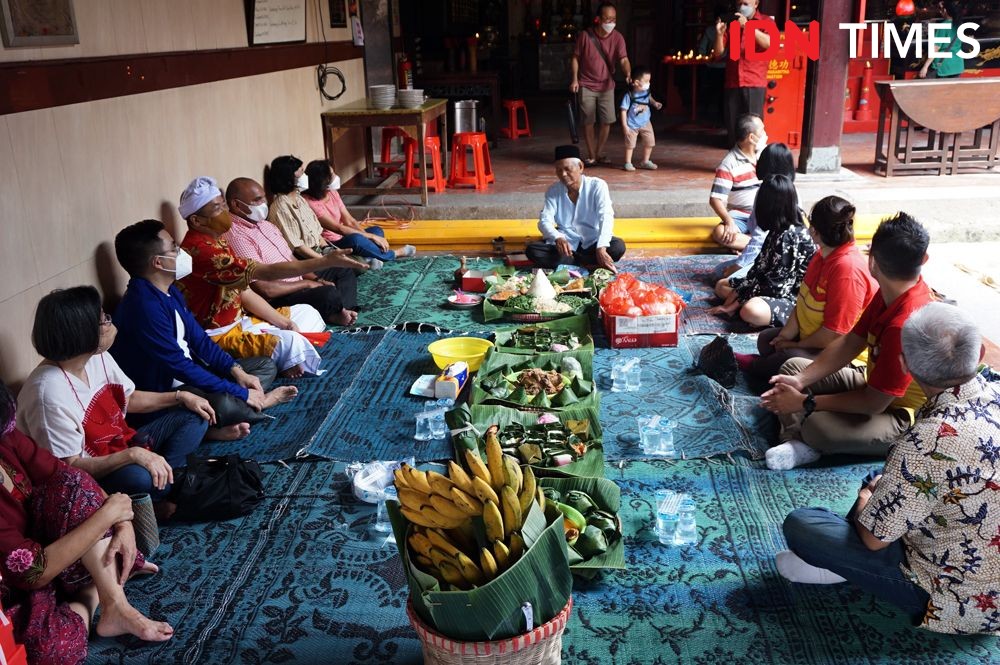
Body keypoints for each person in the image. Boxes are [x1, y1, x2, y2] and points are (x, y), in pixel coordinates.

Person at [776, 303, 1000, 635]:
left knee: (803, 524)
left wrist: (868, 496)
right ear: (980, 352)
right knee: (882, 479)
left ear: (904, 365)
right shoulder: (993, 390)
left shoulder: (927, 441)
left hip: (955, 599)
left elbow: (873, 539)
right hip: (979, 549)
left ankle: (841, 568)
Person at [0, 382, 173, 665]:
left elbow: (69, 476)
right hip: (17, 583)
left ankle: (114, 602)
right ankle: (94, 589)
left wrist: (123, 521)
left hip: (51, 547)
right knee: (51, 652)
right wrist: (110, 515)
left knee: (72, 485)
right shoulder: (46, 388)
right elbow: (32, 572)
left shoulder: (6, 438)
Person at [761, 213, 934, 470]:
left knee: (819, 428)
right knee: (793, 369)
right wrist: (800, 382)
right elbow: (850, 343)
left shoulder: (904, 322)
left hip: (901, 414)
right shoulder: (891, 292)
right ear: (924, 259)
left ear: (872, 260)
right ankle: (798, 441)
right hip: (871, 383)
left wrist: (806, 402)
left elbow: (875, 403)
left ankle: (804, 437)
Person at [17, 287, 211, 505]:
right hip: (91, 474)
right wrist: (132, 456)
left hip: (123, 443)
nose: (110, 324)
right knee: (140, 477)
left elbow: (127, 398)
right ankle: (163, 488)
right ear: (82, 332)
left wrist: (180, 397)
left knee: (194, 415)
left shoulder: (95, 356)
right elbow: (68, 468)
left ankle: (163, 486)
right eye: (104, 320)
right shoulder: (47, 394)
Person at [111, 219, 298, 436]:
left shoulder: (168, 291)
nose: (181, 251)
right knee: (224, 403)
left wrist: (236, 372)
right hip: (168, 390)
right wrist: (241, 392)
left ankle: (229, 414)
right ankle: (258, 404)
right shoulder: (143, 307)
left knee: (264, 366)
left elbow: (199, 340)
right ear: (158, 263)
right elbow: (179, 366)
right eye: (174, 248)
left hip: (192, 374)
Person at [175, 177, 362, 377]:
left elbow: (244, 292)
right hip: (218, 336)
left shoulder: (217, 241)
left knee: (307, 314)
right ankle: (279, 360)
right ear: (196, 220)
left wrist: (285, 323)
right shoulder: (204, 252)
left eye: (223, 205)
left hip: (242, 322)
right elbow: (265, 273)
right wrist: (324, 262)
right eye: (217, 208)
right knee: (291, 342)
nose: (224, 212)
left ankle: (286, 355)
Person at [739, 196, 878, 381]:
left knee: (789, 359)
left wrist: (796, 344)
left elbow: (834, 335)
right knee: (766, 340)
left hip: (842, 354)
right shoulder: (821, 256)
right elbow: (802, 302)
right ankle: (767, 366)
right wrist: (785, 336)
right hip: (814, 337)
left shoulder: (847, 271)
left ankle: (756, 367)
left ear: (814, 230)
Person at [225, 177, 359, 327]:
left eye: (263, 198)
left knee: (342, 270)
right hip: (279, 296)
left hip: (297, 280)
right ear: (236, 205)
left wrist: (316, 280)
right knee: (327, 293)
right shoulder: (236, 236)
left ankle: (341, 310)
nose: (264, 204)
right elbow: (265, 290)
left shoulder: (265, 225)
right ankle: (336, 312)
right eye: (257, 200)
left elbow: (292, 260)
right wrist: (307, 284)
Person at [708, 175, 815, 327]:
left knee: (750, 310)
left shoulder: (789, 237)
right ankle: (747, 310)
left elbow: (775, 288)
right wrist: (733, 301)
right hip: (769, 287)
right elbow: (758, 270)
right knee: (721, 286)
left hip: (793, 297)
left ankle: (766, 317)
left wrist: (732, 305)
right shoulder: (777, 229)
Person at [265, 155, 367, 287]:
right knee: (350, 267)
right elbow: (299, 248)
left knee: (357, 261)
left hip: (320, 249)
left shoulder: (300, 199)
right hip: (306, 257)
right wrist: (325, 260)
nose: (305, 175)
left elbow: (316, 233)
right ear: (288, 177)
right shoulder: (281, 207)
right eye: (301, 172)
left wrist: (327, 249)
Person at [525, 145, 625, 272]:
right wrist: (557, 237)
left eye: (568, 169)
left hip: (592, 242)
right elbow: (545, 220)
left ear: (581, 167)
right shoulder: (553, 191)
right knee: (532, 250)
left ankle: (570, 263)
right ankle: (581, 262)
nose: (563, 174)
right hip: (567, 246)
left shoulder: (597, 186)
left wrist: (601, 247)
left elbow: (606, 216)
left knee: (617, 247)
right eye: (558, 170)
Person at [301, 160, 415, 269]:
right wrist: (370, 237)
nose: (336, 176)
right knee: (357, 240)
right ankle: (394, 254)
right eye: (332, 175)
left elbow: (349, 220)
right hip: (334, 243)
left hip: (345, 235)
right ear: (322, 182)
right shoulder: (310, 203)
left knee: (377, 231)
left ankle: (367, 258)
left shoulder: (332, 193)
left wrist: (369, 236)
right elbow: (339, 228)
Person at [712, 142, 795, 281]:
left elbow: (760, 237)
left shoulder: (766, 191)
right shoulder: (793, 189)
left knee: (721, 277)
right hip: (780, 254)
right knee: (722, 273)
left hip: (770, 257)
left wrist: (739, 265)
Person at [571, 2, 632, 166]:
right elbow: (576, 57)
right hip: (586, 84)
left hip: (607, 86)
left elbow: (624, 59)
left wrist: (627, 74)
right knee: (588, 121)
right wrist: (575, 79)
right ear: (598, 19)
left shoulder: (618, 37)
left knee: (607, 121)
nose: (611, 22)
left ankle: (598, 153)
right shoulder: (585, 36)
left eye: (614, 19)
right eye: (607, 19)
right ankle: (591, 155)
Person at [713, 0, 775, 146]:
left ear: (756, 4)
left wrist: (747, 25)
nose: (742, 6)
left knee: (754, 127)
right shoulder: (732, 23)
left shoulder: (766, 21)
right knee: (732, 126)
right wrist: (718, 34)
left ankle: (753, 162)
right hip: (733, 81)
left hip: (754, 81)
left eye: (746, 3)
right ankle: (735, 162)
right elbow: (718, 53)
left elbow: (769, 44)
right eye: (739, 3)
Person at [709, 113, 766, 252]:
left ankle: (750, 245)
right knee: (720, 232)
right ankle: (765, 247)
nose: (765, 134)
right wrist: (729, 222)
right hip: (742, 217)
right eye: (762, 130)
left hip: (765, 215)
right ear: (752, 138)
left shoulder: (765, 154)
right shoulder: (729, 164)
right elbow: (715, 199)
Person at [619, 65, 662, 172]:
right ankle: (628, 162)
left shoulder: (646, 92)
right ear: (637, 82)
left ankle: (645, 161)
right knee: (630, 144)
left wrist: (654, 103)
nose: (649, 83)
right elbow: (623, 111)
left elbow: (649, 98)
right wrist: (625, 126)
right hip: (632, 124)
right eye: (646, 81)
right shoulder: (629, 96)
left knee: (650, 141)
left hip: (646, 122)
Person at [919, 2, 965, 79]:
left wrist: (925, 67)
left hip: (944, 67)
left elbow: (935, 49)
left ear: (945, 11)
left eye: (941, 9)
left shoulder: (943, 26)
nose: (940, 11)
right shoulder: (959, 25)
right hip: (957, 66)